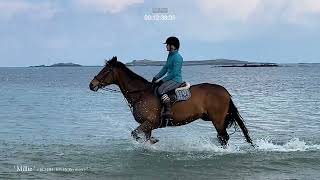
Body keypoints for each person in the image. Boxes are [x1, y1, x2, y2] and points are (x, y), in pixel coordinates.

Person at [152, 36, 183, 122]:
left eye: (167, 45)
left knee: (161, 89)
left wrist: (162, 80)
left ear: (172, 46)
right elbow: (165, 68)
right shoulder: (170, 55)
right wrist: (156, 77)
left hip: (176, 80)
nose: (166, 46)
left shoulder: (178, 57)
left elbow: (174, 73)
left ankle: (168, 110)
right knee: (155, 87)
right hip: (170, 79)